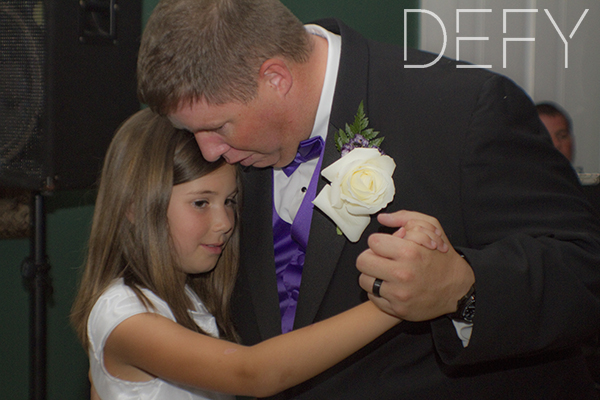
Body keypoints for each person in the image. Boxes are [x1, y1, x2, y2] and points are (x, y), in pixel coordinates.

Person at [137, 0, 600, 398]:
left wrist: (465, 290)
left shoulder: (463, 108)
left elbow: (584, 271)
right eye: (191, 132)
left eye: (218, 127)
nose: (207, 152)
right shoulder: (225, 148)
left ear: (275, 78)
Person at [72, 108, 440, 399]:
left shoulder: (185, 297)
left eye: (230, 201)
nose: (224, 223)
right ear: (135, 208)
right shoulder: (122, 314)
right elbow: (252, 373)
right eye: (201, 203)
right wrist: (397, 298)